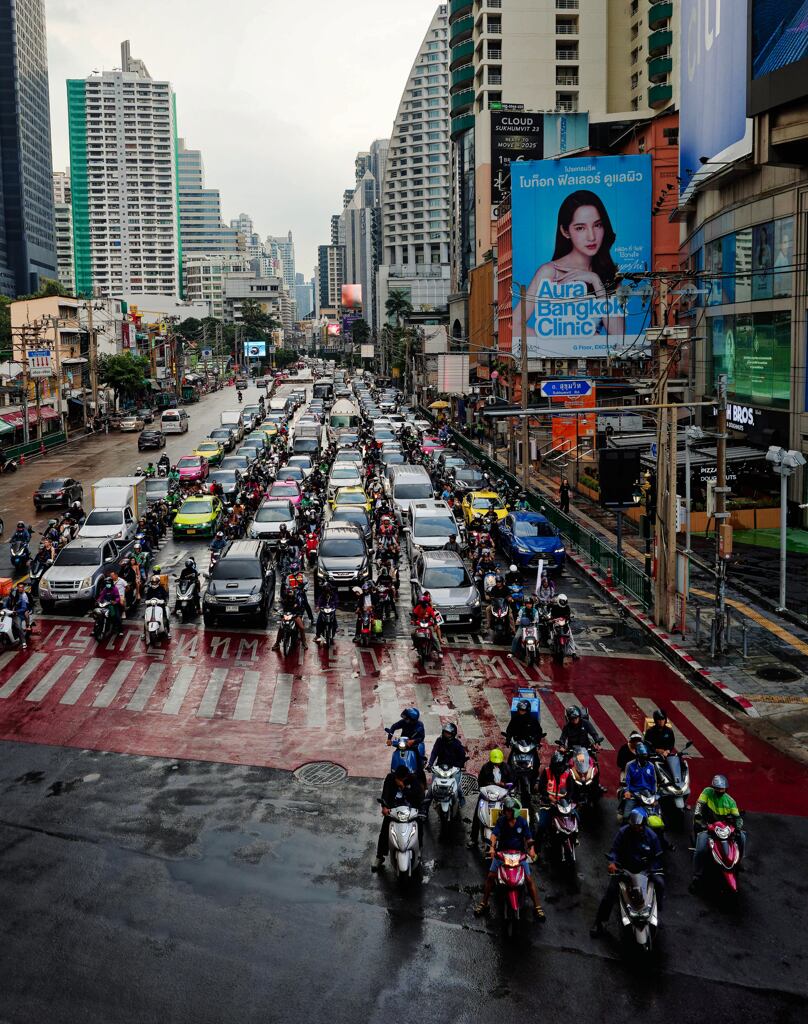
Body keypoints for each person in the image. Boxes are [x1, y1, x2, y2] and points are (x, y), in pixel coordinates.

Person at [590, 808, 664, 937]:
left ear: (643, 825)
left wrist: (652, 870)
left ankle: (658, 910)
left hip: (644, 871)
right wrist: (612, 863)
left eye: (639, 826)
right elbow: (614, 851)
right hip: (624, 870)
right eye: (634, 826)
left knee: (660, 884)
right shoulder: (623, 832)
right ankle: (599, 922)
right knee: (610, 893)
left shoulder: (652, 837)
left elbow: (657, 857)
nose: (636, 829)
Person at [474, 797, 545, 921]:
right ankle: (484, 903)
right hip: (502, 854)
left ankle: (537, 906)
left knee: (528, 880)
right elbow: (494, 834)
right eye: (506, 810)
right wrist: (491, 848)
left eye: (509, 810)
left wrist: (532, 850)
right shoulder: (501, 821)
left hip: (519, 855)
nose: (506, 812)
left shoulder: (522, 822)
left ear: (515, 811)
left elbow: (528, 838)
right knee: (491, 877)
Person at [690, 775, 746, 892]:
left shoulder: (730, 801)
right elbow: (699, 806)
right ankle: (696, 876)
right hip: (708, 826)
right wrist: (699, 820)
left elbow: (737, 818)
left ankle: (739, 860)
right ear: (713, 787)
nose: (720, 791)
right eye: (717, 788)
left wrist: (738, 828)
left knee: (743, 837)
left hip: (724, 829)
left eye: (722, 789)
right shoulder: (707, 792)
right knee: (700, 849)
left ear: (726, 789)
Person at [371, 765, 426, 872]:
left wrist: (404, 788)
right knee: (384, 830)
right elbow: (385, 793)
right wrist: (384, 807)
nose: (397, 780)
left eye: (400, 779)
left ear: (405, 778)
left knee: (419, 825)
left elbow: (419, 797)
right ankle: (379, 856)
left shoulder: (413, 780)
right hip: (394, 811)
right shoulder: (390, 778)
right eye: (397, 778)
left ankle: (418, 849)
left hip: (410, 812)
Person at [468, 749, 514, 847]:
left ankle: (512, 838)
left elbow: (512, 782)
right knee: (478, 813)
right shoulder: (485, 768)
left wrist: (504, 785)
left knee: (511, 812)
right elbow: (480, 782)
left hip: (502, 795)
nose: (497, 764)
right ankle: (473, 838)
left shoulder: (507, 768)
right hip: (487, 795)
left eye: (498, 762)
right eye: (494, 762)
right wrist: (484, 790)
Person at [536, 751, 573, 841]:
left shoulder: (568, 774)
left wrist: (567, 800)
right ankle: (536, 850)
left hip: (563, 805)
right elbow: (541, 788)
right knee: (542, 825)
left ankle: (574, 838)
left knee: (576, 819)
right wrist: (549, 797)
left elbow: (571, 790)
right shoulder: (546, 771)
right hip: (548, 804)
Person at [620, 742, 657, 819]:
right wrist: (627, 791)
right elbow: (627, 780)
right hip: (633, 794)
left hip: (647, 795)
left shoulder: (651, 766)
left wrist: (654, 797)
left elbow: (653, 782)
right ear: (637, 756)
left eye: (645, 757)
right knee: (626, 816)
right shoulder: (629, 765)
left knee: (653, 816)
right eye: (642, 757)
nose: (644, 759)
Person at [271, 583, 308, 652]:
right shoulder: (285, 600)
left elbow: (300, 608)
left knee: (301, 627)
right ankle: (277, 643)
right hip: (286, 615)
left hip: (295, 615)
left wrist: (297, 613)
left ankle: (304, 642)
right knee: (281, 628)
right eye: (289, 593)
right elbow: (282, 608)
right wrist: (280, 613)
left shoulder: (297, 600)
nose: (290, 594)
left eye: (291, 593)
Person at [410, 591, 443, 659]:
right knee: (413, 633)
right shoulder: (418, 607)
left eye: (422, 603)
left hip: (429, 625)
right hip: (420, 624)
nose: (421, 604)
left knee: (434, 638)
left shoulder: (429, 609)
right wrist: (413, 620)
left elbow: (434, 618)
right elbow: (414, 615)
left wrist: (435, 624)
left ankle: (439, 651)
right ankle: (414, 644)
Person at [549, 593, 579, 660]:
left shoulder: (567, 607)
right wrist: (553, 619)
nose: (563, 603)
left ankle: (573, 653)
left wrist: (568, 619)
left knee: (570, 637)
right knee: (552, 633)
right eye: (562, 601)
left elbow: (568, 615)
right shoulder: (554, 607)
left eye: (564, 601)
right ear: (558, 600)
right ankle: (552, 645)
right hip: (556, 623)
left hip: (565, 624)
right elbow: (552, 615)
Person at [5, 582, 32, 649]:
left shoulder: (21, 599)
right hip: (8, 615)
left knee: (18, 627)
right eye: (12, 594)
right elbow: (4, 606)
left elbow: (24, 608)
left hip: (17, 615)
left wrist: (16, 611)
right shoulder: (9, 599)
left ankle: (23, 642)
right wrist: (6, 610)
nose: (13, 595)